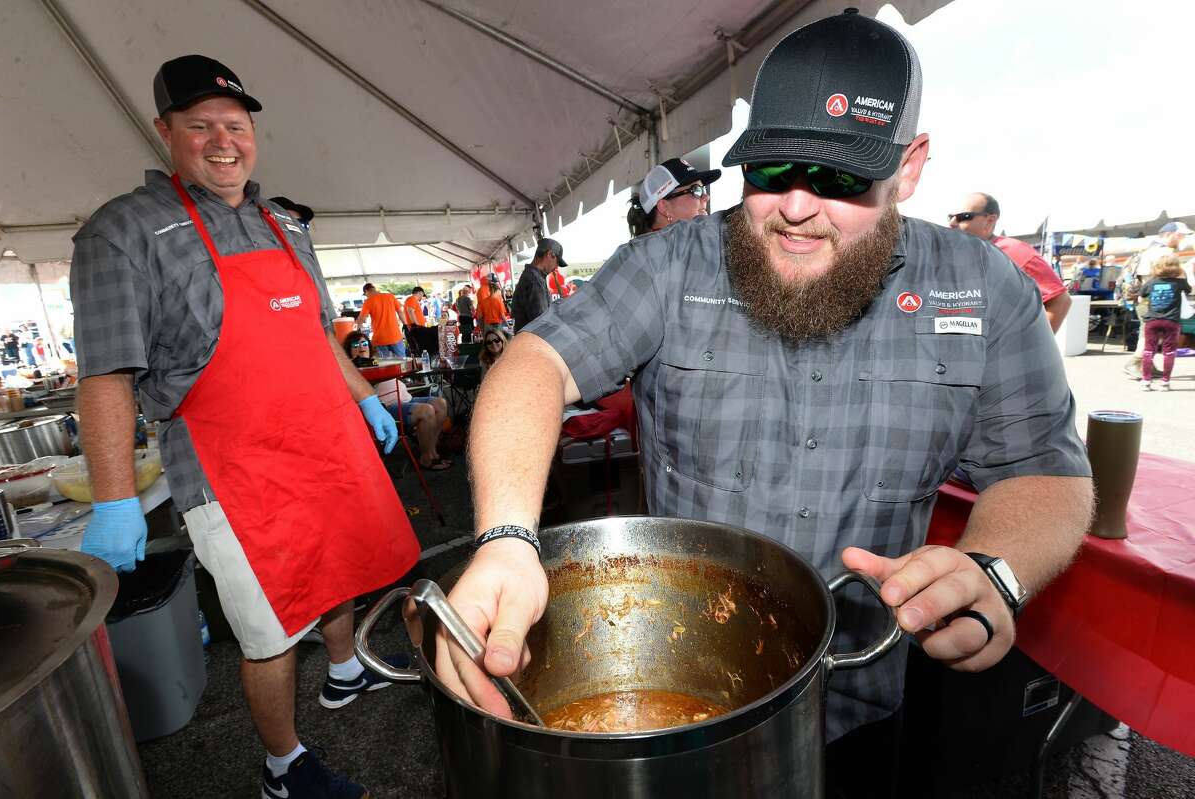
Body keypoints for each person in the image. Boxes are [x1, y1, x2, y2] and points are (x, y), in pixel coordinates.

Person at [444, 11, 1093, 798]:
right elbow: (535, 361)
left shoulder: (984, 290)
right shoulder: (670, 264)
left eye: (842, 180)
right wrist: (509, 537)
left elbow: (1047, 470)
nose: (796, 208)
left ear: (911, 166)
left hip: (860, 705)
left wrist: (996, 570)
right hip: (684, 713)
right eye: (772, 169)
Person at [68, 54, 420, 799]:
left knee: (341, 565)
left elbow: (322, 334)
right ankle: (283, 769)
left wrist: (363, 398)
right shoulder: (124, 231)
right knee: (269, 629)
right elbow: (105, 372)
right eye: (201, 125)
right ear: (165, 131)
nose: (223, 141)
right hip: (229, 466)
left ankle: (347, 671)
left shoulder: (283, 221)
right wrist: (113, 495)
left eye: (236, 124)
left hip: (320, 437)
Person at [949, 193, 1071, 332]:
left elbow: (1060, 301)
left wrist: (1033, 349)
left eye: (963, 217)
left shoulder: (1016, 252)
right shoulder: (957, 255)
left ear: (990, 220)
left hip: (1001, 349)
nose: (952, 223)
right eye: (950, 217)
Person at [1120, 221, 1190, 377]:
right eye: (1179, 235)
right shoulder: (1162, 252)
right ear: (1167, 234)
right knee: (1151, 336)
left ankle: (1147, 365)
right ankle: (1134, 363)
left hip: (1148, 300)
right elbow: (1153, 279)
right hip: (1157, 302)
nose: (1181, 239)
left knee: (1149, 334)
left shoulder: (1150, 249)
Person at [1131, 255, 1193, 390]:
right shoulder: (1180, 283)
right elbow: (1190, 291)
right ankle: (1165, 382)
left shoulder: (1151, 283)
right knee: (1169, 352)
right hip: (1171, 321)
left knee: (1148, 351)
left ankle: (1146, 381)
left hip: (1152, 321)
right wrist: (1183, 275)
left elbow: (1141, 299)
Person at [627, 157, 722, 237]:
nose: (706, 197)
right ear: (664, 207)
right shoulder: (649, 257)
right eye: (696, 190)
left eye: (703, 189)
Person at [376, 378, 452, 471]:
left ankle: (432, 450)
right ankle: (426, 458)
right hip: (386, 405)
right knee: (426, 411)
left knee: (441, 403)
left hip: (406, 398)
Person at [511, 238, 566, 332]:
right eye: (557, 262)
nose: (556, 267)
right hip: (532, 342)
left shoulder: (532, 276)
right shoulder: (534, 280)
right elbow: (542, 321)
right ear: (549, 254)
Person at [356, 282, 407, 358]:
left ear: (366, 291)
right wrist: (405, 324)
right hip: (395, 336)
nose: (366, 296)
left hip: (380, 339)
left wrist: (358, 329)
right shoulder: (390, 296)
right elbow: (400, 312)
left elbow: (361, 318)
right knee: (403, 362)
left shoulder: (368, 301)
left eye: (366, 295)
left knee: (385, 364)